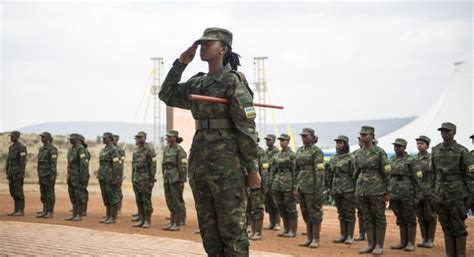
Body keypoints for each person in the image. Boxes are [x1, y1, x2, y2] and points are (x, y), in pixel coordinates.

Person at [159, 27, 260, 256]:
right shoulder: (198, 84)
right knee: (209, 231)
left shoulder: (233, 82)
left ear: (223, 49)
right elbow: (167, 94)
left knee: (232, 229)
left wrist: (252, 168)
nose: (203, 47)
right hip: (201, 164)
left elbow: (246, 129)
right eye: (201, 43)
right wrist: (180, 64)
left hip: (228, 167)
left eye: (208, 43)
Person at [431, 122, 472, 257]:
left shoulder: (462, 151)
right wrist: (432, 193)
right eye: (442, 131)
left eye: (447, 131)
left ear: (454, 133)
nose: (444, 133)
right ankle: (450, 253)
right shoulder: (435, 150)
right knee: (446, 225)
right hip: (440, 194)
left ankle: (460, 254)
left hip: (457, 194)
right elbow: (432, 174)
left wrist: (470, 197)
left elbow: (470, 176)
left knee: (458, 225)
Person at [354, 126, 391, 255]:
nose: (363, 137)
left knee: (379, 217)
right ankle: (370, 244)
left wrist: (388, 191)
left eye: (365, 135)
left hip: (377, 189)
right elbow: (356, 172)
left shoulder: (379, 152)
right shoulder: (358, 153)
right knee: (367, 217)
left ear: (372, 136)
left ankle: (379, 245)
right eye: (361, 135)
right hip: (362, 189)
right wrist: (355, 189)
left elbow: (387, 172)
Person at [295, 128, 325, 248]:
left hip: (312, 186)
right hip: (302, 185)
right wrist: (295, 186)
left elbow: (320, 172)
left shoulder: (317, 151)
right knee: (305, 212)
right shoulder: (300, 150)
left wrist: (318, 189)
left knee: (314, 213)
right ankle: (309, 237)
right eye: (302, 136)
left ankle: (315, 239)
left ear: (312, 137)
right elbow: (296, 169)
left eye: (306, 136)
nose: (303, 138)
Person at [388, 138, 420, 252]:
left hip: (407, 192)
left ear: (404, 148)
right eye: (395, 146)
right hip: (395, 192)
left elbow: (417, 178)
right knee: (400, 217)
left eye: (399, 146)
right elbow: (388, 176)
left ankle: (411, 243)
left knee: (410, 217)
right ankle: (403, 242)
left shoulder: (411, 160)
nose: (396, 148)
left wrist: (417, 195)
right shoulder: (391, 159)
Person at [327, 135, 356, 245]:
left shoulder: (351, 158)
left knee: (349, 212)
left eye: (340, 143)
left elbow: (355, 174)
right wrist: (330, 187)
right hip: (336, 188)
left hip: (348, 188)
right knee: (341, 212)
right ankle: (343, 234)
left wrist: (354, 189)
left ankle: (349, 236)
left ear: (345, 144)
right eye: (337, 143)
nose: (338, 145)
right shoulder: (334, 157)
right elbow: (329, 173)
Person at [271, 134, 297, 238]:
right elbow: (273, 170)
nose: (282, 142)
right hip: (277, 184)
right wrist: (272, 183)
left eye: (284, 140)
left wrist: (295, 186)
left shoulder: (292, 155)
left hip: (288, 183)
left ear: (288, 141)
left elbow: (295, 171)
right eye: (280, 140)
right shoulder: (276, 155)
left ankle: (293, 230)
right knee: (281, 207)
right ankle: (286, 229)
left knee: (290, 207)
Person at [161, 130, 187, 232]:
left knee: (177, 201)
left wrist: (182, 180)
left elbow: (183, 166)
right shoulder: (166, 148)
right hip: (167, 178)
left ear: (175, 138)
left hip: (176, 178)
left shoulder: (179, 150)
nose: (167, 138)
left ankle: (177, 223)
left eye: (170, 137)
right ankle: (172, 222)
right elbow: (164, 164)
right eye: (167, 136)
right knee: (170, 200)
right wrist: (164, 175)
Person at [414, 135, 437, 248]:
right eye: (418, 143)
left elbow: (435, 175)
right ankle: (424, 239)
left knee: (430, 216)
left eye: (422, 143)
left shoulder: (431, 158)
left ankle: (430, 240)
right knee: (421, 217)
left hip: (429, 191)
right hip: (418, 192)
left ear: (427, 145)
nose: (419, 145)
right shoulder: (414, 158)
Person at [132, 131, 157, 229]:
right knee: (139, 200)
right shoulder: (136, 150)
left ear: (145, 138)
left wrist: (151, 180)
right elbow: (133, 165)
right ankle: (141, 219)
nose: (138, 139)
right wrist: (133, 178)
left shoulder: (149, 149)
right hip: (137, 178)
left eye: (140, 137)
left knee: (146, 200)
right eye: (137, 137)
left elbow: (153, 165)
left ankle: (147, 220)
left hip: (145, 178)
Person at [98, 132, 122, 224]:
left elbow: (117, 165)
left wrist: (116, 178)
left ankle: (113, 217)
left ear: (110, 139)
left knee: (113, 197)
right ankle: (108, 216)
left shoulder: (114, 150)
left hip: (111, 177)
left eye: (105, 138)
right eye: (103, 138)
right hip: (103, 176)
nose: (103, 140)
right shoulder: (103, 150)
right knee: (106, 197)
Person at [247, 136, 266, 240]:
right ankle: (252, 230)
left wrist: (264, 186)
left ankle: (258, 232)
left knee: (257, 208)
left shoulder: (260, 152)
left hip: (257, 186)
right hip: (248, 185)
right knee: (249, 208)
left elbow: (264, 171)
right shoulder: (246, 151)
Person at [65, 133, 88, 221]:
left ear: (78, 140)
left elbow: (84, 164)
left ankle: (79, 215)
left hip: (78, 177)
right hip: (71, 176)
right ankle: (74, 214)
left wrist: (82, 177)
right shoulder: (71, 149)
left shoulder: (81, 149)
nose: (70, 140)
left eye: (72, 139)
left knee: (79, 196)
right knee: (73, 195)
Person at [36, 132, 58, 219]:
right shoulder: (41, 149)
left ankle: (50, 212)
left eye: (43, 137)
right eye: (41, 137)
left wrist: (52, 175)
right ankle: (44, 210)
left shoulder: (52, 149)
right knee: (43, 193)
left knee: (50, 193)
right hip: (42, 174)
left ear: (48, 138)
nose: (42, 139)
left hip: (48, 174)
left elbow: (53, 164)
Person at [6, 131, 27, 216]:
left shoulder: (21, 147)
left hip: (17, 173)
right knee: (13, 191)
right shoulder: (11, 147)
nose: (11, 138)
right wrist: (7, 171)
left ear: (17, 137)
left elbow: (23, 162)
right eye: (11, 136)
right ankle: (16, 209)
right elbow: (9, 161)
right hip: (11, 173)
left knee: (19, 192)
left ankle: (21, 210)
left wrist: (21, 173)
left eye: (13, 136)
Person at [263, 134, 281, 231]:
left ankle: (277, 223)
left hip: (274, 178)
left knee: (275, 202)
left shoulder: (277, 152)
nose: (267, 141)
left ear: (274, 141)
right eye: (266, 140)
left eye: (269, 140)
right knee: (268, 202)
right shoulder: (265, 152)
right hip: (266, 179)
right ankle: (271, 222)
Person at [352, 137, 366, 241]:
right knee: (360, 212)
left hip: (374, 187)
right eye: (359, 140)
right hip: (359, 186)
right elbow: (353, 172)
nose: (360, 142)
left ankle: (374, 236)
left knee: (372, 212)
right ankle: (362, 233)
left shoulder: (378, 152)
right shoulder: (355, 154)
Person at [113, 134, 125, 215]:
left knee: (117, 191)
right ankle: (112, 210)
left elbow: (120, 163)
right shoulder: (109, 149)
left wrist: (118, 174)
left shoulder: (120, 150)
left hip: (118, 173)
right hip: (110, 173)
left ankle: (118, 209)